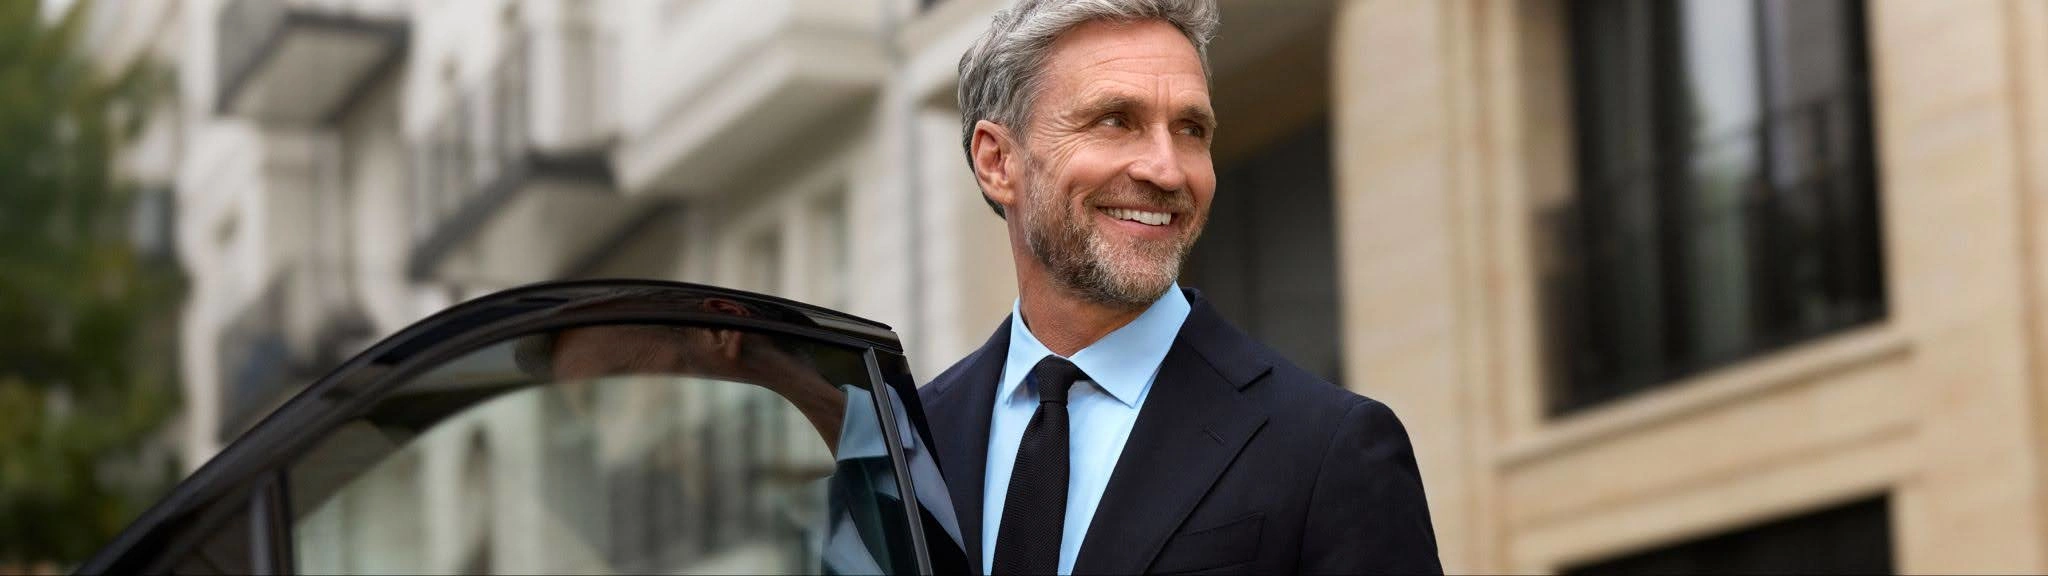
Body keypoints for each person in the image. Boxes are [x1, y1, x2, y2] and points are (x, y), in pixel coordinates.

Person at [918, 1, 1443, 574]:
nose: (1168, 171)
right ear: (997, 162)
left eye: (1191, 130)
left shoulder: (1330, 448)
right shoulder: (909, 437)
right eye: (1115, 120)